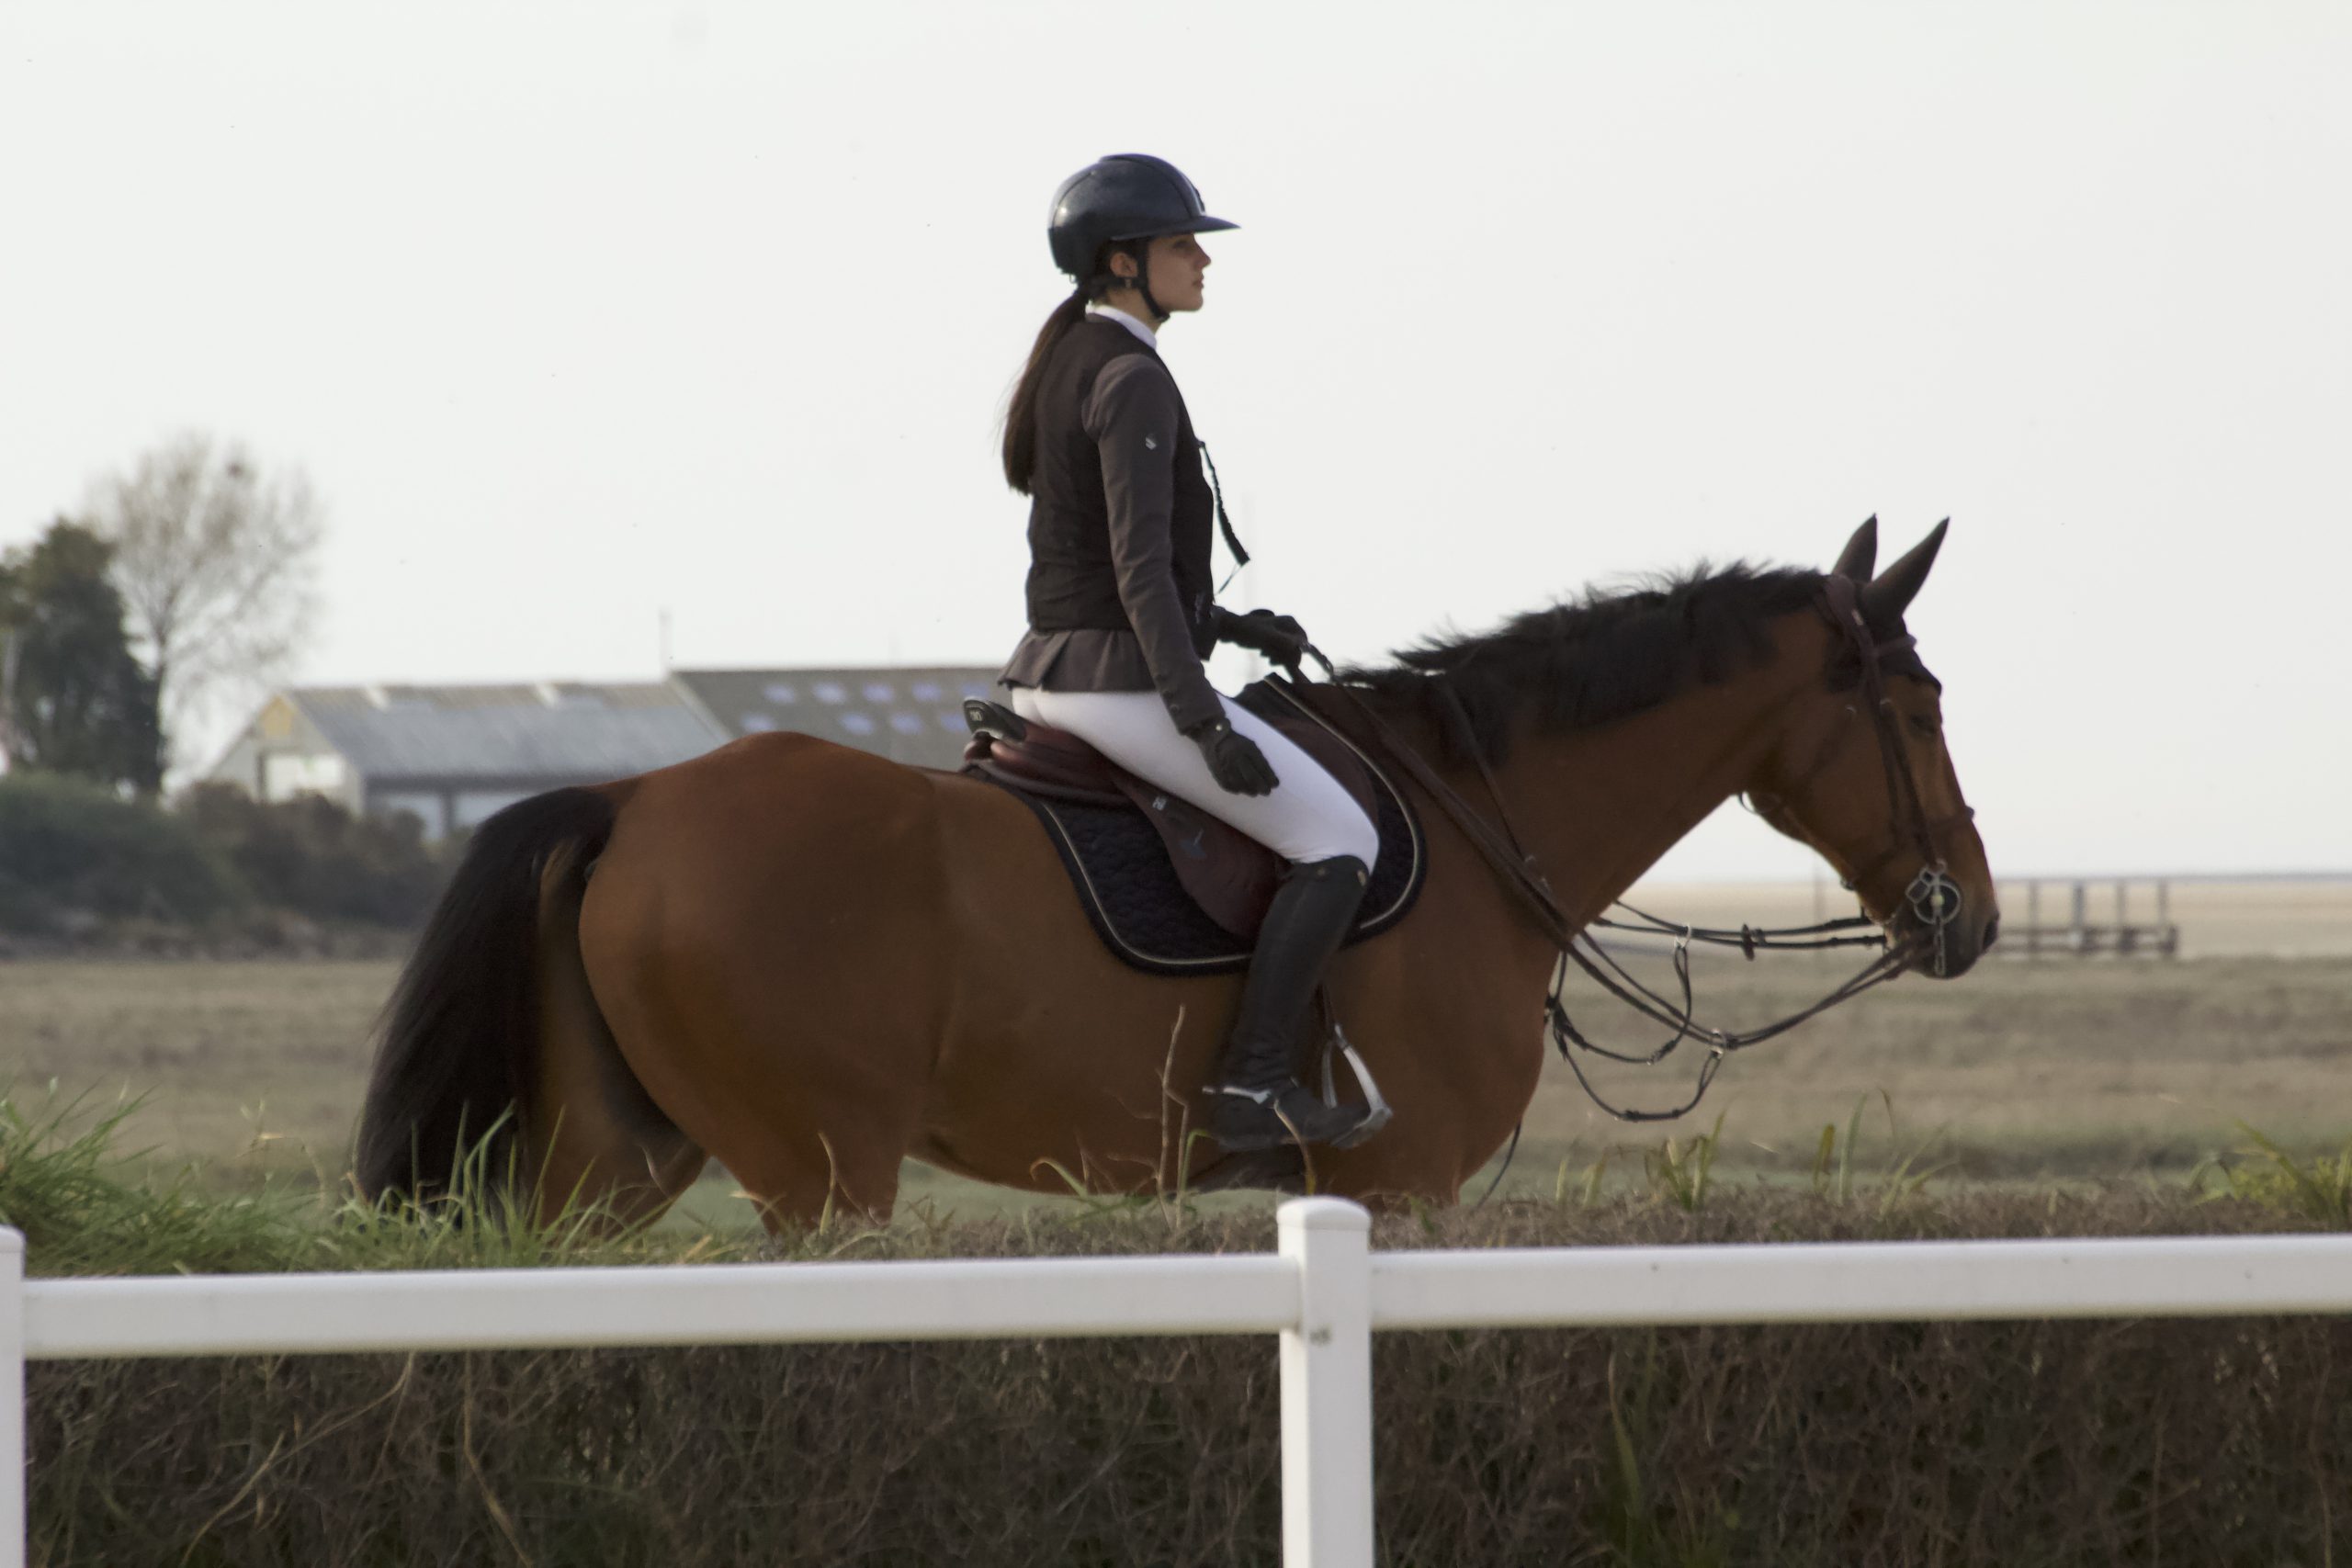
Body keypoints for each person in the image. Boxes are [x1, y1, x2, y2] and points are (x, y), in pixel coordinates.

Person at [998, 153, 1378, 1153]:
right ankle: (1253, 1088)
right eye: (1182, 247)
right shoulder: (1129, 376)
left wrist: (1235, 626)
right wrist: (1204, 720)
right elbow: (1134, 573)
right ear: (1121, 264)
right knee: (1339, 841)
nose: (1202, 263)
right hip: (1112, 684)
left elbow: (1111, 562)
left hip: (1052, 669)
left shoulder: (1079, 358)